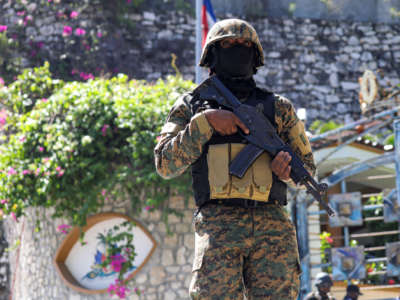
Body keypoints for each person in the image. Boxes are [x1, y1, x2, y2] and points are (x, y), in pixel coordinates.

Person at [154, 18, 316, 299]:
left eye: (244, 45)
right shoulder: (191, 105)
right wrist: (205, 124)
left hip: (272, 226)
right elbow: (165, 164)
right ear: (213, 54)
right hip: (218, 224)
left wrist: (286, 171)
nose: (237, 49)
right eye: (228, 44)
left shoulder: (278, 108)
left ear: (255, 56)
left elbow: (308, 173)